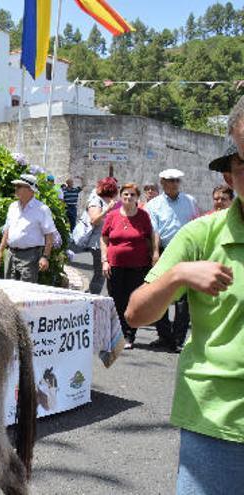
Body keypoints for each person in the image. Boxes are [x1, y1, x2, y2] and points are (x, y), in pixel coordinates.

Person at [125, 103, 244, 495]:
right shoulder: (200, 235)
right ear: (231, 174)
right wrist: (176, 275)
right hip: (215, 420)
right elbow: (136, 312)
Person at [146, 168, 199, 352]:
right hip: (164, 250)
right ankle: (164, 336)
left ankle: (178, 339)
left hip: (186, 251)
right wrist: (155, 253)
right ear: (162, 182)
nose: (175, 183)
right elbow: (155, 231)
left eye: (177, 180)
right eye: (170, 180)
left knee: (183, 299)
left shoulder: (190, 201)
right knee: (160, 294)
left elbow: (195, 224)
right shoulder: (154, 204)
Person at [100, 183, 158, 349]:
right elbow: (104, 239)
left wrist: (154, 254)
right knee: (116, 300)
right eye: (125, 194)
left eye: (132, 195)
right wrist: (104, 260)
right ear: (121, 196)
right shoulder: (112, 216)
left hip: (137, 266)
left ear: (136, 197)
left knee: (132, 301)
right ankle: (116, 334)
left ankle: (129, 335)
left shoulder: (143, 216)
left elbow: (150, 237)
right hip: (114, 265)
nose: (128, 198)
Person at [0, 174, 58, 283]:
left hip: (30, 256)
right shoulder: (13, 206)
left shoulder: (42, 209)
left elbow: (49, 235)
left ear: (30, 189)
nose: (16, 189)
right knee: (9, 290)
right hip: (11, 254)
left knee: (26, 292)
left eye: (19, 186)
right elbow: (7, 230)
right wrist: (0, 251)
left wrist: (45, 257)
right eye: (16, 186)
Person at [82, 177, 119, 294]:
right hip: (99, 243)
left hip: (110, 242)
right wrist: (107, 210)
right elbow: (94, 220)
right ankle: (92, 299)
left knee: (105, 274)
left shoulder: (110, 202)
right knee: (101, 274)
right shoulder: (96, 201)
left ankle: (93, 297)